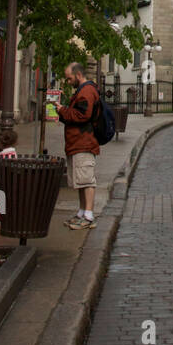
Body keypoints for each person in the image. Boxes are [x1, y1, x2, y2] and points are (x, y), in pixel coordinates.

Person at [57, 62, 100, 229]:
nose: (68, 82)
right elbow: (74, 116)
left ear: (78, 75)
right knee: (81, 181)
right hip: (77, 142)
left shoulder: (87, 91)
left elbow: (82, 115)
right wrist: (63, 111)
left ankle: (88, 215)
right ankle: (82, 212)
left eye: (69, 79)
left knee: (87, 180)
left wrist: (62, 110)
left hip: (84, 142)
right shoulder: (82, 91)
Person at [0, 128, 18, 227]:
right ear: (14, 142)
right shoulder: (12, 153)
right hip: (10, 182)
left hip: (0, 181)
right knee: (7, 201)